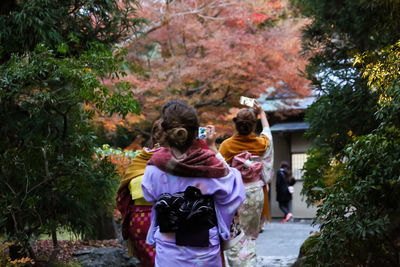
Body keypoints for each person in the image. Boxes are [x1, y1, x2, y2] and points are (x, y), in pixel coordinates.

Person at [141, 102, 245, 267]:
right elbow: (233, 192)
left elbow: (149, 195)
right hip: (204, 249)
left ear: (166, 132)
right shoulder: (210, 164)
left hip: (169, 248)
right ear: (196, 132)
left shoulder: (155, 166)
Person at [218, 100, 271, 266]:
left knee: (235, 235)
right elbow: (268, 133)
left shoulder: (226, 146)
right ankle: (250, 262)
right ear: (253, 125)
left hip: (235, 194)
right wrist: (261, 112)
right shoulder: (261, 144)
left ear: (236, 124)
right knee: (250, 235)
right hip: (256, 193)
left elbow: (219, 170)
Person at [116, 119, 164, 267]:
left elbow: (125, 191)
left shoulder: (140, 159)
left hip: (142, 219)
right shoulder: (179, 160)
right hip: (153, 219)